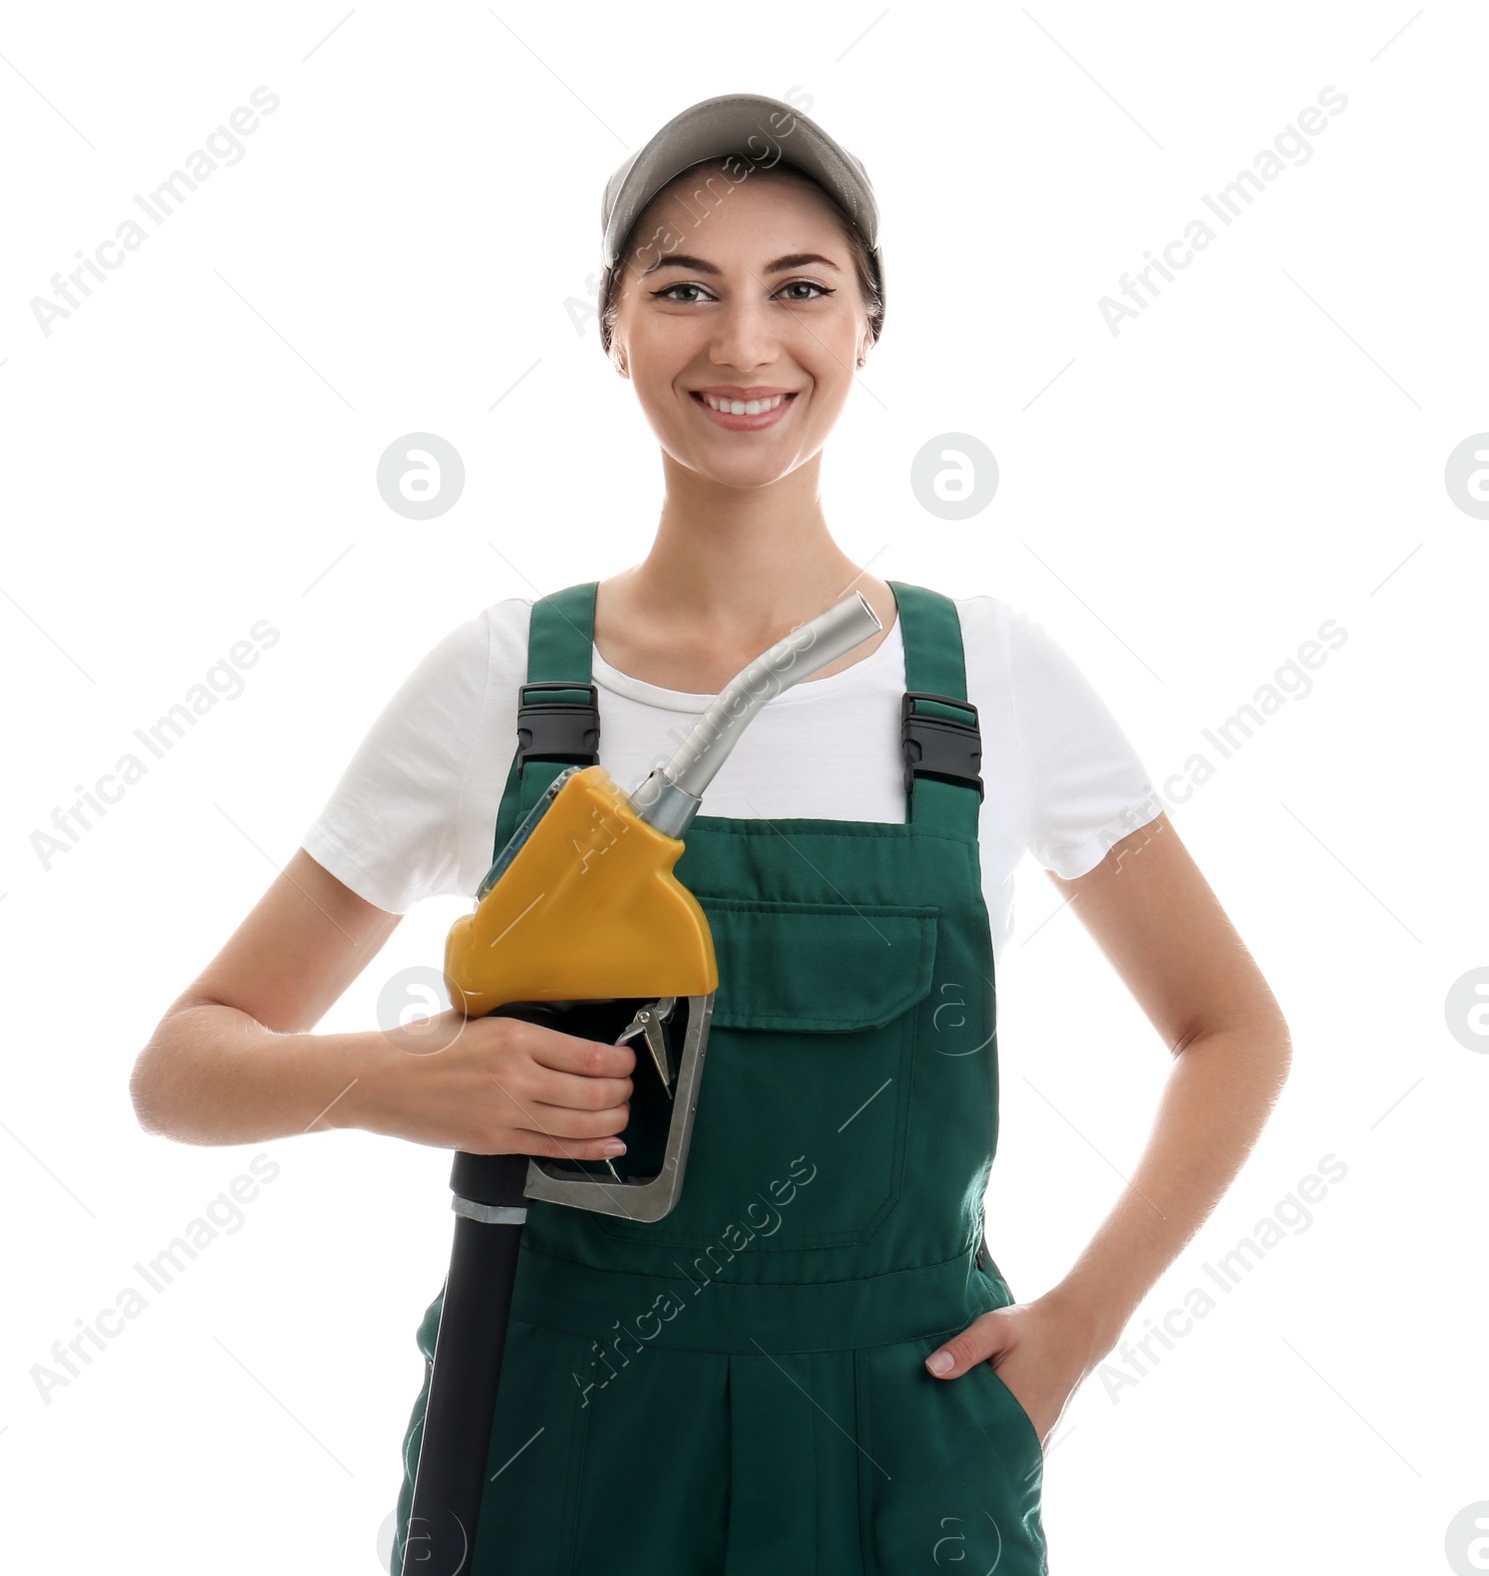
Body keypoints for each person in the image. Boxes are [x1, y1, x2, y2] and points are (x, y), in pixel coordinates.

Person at [129, 93, 1292, 1575]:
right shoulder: (509, 683)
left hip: (902, 1440)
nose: (744, 344)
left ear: (869, 324)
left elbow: (1233, 1030)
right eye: (684, 289)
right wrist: (401, 1078)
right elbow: (184, 1069)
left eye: (798, 288)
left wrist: (1072, 1335)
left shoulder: (985, 681)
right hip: (556, 1431)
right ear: (610, 326)